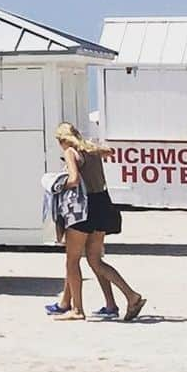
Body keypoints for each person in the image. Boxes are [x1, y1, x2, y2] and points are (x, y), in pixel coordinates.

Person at [47, 122, 146, 322]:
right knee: (96, 260)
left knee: (72, 260)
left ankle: (77, 309)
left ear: (62, 140)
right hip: (102, 204)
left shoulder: (71, 152)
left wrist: (57, 185)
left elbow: (74, 179)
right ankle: (131, 296)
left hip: (84, 208)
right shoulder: (91, 149)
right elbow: (110, 151)